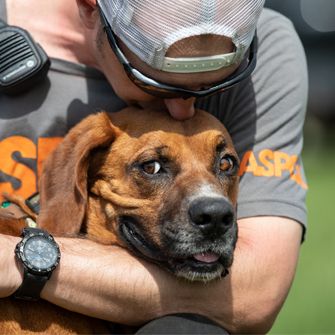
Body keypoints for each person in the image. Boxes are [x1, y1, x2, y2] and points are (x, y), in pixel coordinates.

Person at [0, 0, 308, 333]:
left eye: (211, 84)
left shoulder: (267, 45)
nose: (183, 109)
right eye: (154, 79)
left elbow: (254, 293)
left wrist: (24, 260)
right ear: (91, 9)